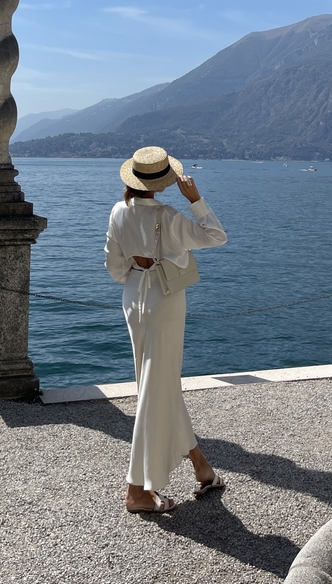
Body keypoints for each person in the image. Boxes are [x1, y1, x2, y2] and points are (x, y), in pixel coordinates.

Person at [104, 145, 228, 513]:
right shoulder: (171, 216)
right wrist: (196, 199)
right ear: (163, 182)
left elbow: (113, 266)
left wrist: (136, 278)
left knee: (157, 384)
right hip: (165, 300)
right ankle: (136, 491)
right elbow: (216, 235)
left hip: (133, 298)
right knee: (154, 389)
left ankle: (201, 467)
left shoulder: (118, 212)